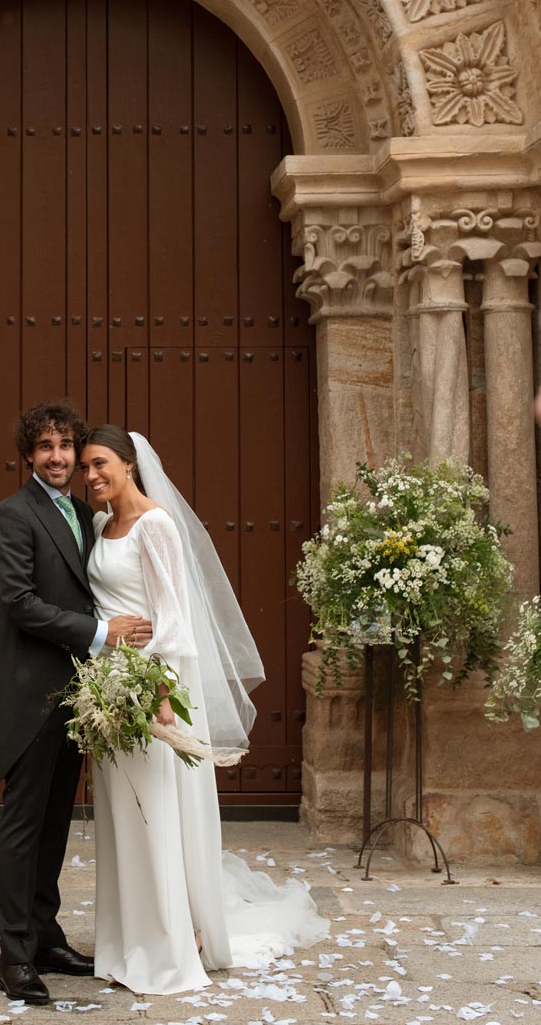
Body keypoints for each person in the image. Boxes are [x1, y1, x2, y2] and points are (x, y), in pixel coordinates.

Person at [80, 424, 329, 996]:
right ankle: (129, 939)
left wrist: (161, 692)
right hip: (108, 688)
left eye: (100, 464)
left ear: (129, 464)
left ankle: (174, 941)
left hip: (150, 688)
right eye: (86, 467)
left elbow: (173, 618)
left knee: (155, 813)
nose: (91, 476)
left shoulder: (157, 525)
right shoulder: (99, 524)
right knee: (123, 817)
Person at [0, 401, 153, 1006]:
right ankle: (13, 955)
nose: (57, 457)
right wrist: (103, 634)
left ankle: (46, 936)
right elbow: (20, 603)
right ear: (28, 454)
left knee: (55, 822)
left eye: (65, 446)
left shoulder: (86, 514)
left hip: (79, 694)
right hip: (31, 695)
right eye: (45, 447)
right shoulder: (10, 516)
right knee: (23, 825)